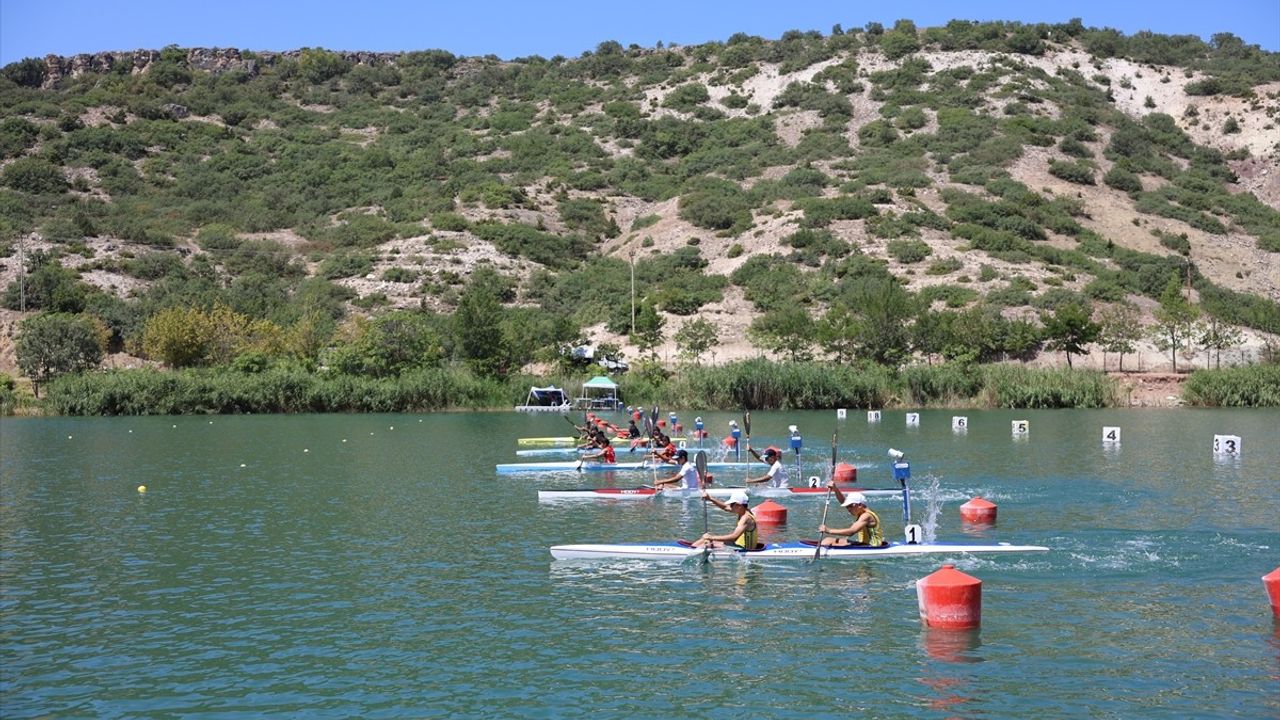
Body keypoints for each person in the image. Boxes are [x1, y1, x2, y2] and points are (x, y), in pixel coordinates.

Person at [818, 484, 885, 547]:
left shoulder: (866, 516)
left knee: (829, 543)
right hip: (863, 544)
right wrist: (835, 489)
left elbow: (851, 532)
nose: (848, 509)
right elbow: (843, 501)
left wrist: (829, 530)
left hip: (872, 546)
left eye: (850, 506)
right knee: (827, 540)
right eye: (847, 506)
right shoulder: (860, 511)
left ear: (860, 505)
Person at [693, 491, 758, 550]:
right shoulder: (744, 511)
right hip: (737, 545)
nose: (730, 506)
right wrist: (710, 498)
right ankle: (691, 548)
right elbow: (725, 507)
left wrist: (711, 537)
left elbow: (734, 537)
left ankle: (689, 551)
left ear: (739, 505)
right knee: (704, 540)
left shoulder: (746, 519)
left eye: (732, 504)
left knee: (707, 542)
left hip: (744, 549)